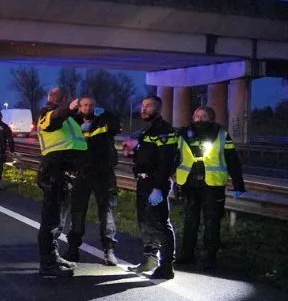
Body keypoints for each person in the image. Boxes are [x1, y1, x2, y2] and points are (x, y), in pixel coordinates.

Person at [175, 105, 245, 269]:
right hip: (189, 184)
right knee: (190, 221)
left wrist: (238, 184)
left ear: (211, 119)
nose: (199, 119)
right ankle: (186, 255)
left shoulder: (222, 135)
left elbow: (232, 160)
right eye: (197, 115)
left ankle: (210, 257)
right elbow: (174, 156)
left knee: (212, 221)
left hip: (212, 185)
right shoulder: (184, 135)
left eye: (204, 116)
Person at [60, 95, 122, 266]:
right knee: (77, 213)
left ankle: (108, 251)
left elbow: (116, 126)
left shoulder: (103, 121)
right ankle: (73, 249)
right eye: (85, 105)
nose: (88, 108)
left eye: (91, 105)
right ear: (79, 107)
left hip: (104, 174)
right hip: (82, 173)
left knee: (107, 213)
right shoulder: (73, 122)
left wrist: (106, 114)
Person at [35, 87, 87, 277]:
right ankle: (47, 264)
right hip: (54, 172)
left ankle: (53, 256)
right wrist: (68, 108)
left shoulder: (69, 118)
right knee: (51, 220)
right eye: (60, 98)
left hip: (64, 173)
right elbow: (53, 120)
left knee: (58, 220)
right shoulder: (47, 113)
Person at [129, 95, 179, 280]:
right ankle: (150, 260)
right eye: (142, 105)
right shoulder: (147, 130)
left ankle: (167, 266)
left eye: (148, 106)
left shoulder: (164, 130)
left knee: (161, 224)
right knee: (145, 223)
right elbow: (146, 156)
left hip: (155, 184)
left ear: (158, 109)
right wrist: (133, 152)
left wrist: (158, 187)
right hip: (143, 183)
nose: (143, 109)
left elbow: (166, 161)